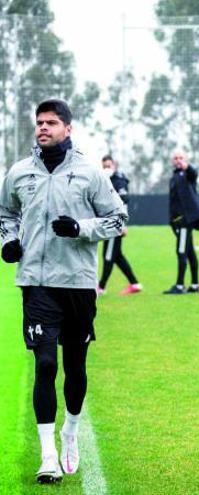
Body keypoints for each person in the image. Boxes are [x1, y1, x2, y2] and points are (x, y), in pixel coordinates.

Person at [0, 99, 127, 483]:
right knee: (45, 364)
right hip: (36, 285)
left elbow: (118, 218)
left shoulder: (90, 173)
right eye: (39, 122)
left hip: (77, 284)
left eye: (51, 122)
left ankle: (70, 432)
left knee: (74, 366)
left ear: (68, 129)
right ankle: (48, 454)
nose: (43, 128)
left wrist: (81, 229)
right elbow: (4, 214)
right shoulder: (19, 172)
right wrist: (9, 240)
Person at [163, 149, 199, 295]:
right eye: (175, 158)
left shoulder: (187, 175)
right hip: (178, 221)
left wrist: (187, 167)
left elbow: (193, 173)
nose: (178, 160)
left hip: (185, 221)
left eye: (181, 158)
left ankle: (180, 286)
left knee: (181, 251)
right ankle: (194, 285)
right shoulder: (174, 177)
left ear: (186, 160)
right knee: (189, 251)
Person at [97, 155, 141, 295]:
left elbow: (125, 199)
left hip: (115, 223)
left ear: (114, 166)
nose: (106, 168)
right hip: (109, 221)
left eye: (109, 166)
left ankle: (101, 287)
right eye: (104, 166)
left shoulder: (118, 180)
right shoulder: (105, 179)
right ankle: (135, 283)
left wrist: (122, 224)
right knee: (117, 256)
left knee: (108, 255)